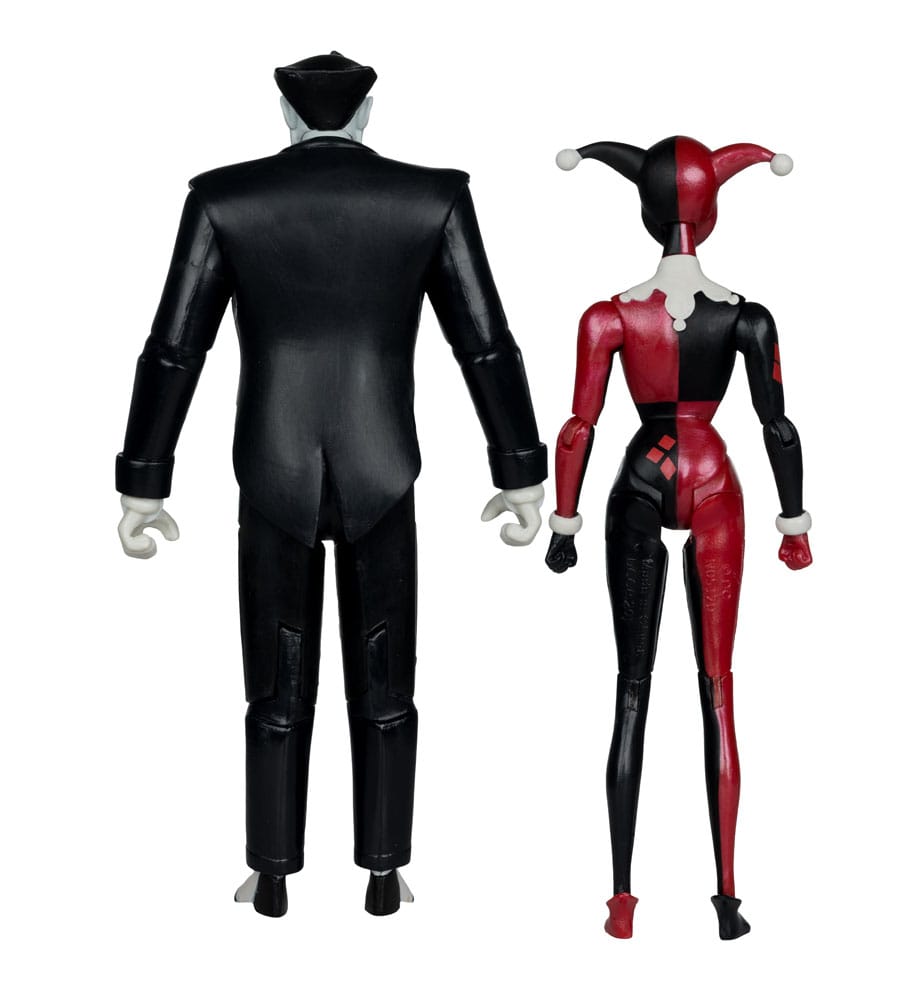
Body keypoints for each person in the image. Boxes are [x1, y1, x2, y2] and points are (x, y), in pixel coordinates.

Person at [116, 52, 547, 919]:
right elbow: (484, 341)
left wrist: (144, 480)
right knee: (387, 679)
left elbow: (175, 346)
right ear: (368, 113)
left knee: (274, 681)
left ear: (284, 114)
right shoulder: (431, 198)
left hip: (269, 467)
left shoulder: (224, 199)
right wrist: (519, 471)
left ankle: (271, 873)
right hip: (385, 466)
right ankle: (385, 874)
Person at [545, 135, 811, 940]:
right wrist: (793, 522)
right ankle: (727, 899)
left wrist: (565, 521)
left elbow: (579, 426)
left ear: (645, 211)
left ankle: (622, 901)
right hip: (712, 476)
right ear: (713, 210)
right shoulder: (746, 316)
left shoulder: (610, 315)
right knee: (717, 689)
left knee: (631, 690)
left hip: (639, 474)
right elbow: (777, 426)